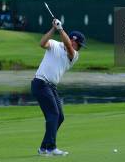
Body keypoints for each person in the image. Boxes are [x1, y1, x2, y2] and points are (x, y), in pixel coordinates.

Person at [31, 18, 85, 156]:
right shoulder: (54, 44)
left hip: (51, 87)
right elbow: (42, 43)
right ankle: (51, 147)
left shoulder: (74, 55)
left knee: (59, 117)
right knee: (53, 114)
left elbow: (68, 45)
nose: (79, 47)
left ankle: (44, 147)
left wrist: (60, 28)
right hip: (40, 83)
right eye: (78, 44)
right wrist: (54, 29)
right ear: (73, 40)